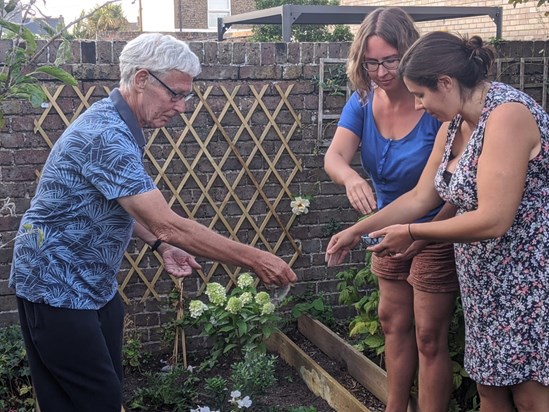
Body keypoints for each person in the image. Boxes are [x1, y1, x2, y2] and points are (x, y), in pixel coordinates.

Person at [9, 33, 297, 412]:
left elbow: (125, 206)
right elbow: (168, 223)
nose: (182, 107)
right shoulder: (106, 135)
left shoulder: (120, 124)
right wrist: (256, 259)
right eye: (175, 94)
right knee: (94, 400)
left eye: (186, 96)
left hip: (93, 283)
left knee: (92, 394)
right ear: (142, 79)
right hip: (55, 284)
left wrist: (160, 245)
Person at [326, 31, 549, 411]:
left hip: (527, 282)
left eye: (421, 94)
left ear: (445, 83)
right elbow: (420, 197)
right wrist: (356, 230)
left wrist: (413, 233)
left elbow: (493, 220)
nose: (417, 104)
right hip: (484, 282)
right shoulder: (453, 127)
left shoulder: (508, 115)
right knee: (490, 392)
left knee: (529, 396)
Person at [323, 8, 459, 412]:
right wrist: (350, 178)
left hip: (438, 226)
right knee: (393, 325)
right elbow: (335, 156)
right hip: (386, 226)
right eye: (371, 62)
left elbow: (454, 187)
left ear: (409, 51)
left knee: (429, 336)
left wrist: (426, 233)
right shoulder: (363, 100)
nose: (380, 71)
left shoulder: (435, 103)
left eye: (389, 60)